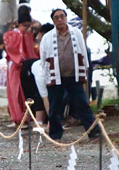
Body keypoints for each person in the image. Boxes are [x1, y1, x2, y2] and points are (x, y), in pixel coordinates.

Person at [39, 8, 100, 140]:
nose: (60, 19)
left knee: (82, 104)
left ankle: (93, 131)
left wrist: (85, 72)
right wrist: (45, 76)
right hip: (56, 77)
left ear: (66, 18)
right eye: (56, 17)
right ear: (53, 21)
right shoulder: (47, 37)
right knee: (55, 107)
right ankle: (55, 134)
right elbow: (43, 59)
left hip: (74, 76)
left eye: (62, 16)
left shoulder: (76, 33)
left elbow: (83, 53)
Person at [3, 5, 38, 126]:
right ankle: (17, 116)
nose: (26, 28)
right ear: (19, 23)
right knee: (15, 91)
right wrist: (20, 33)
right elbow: (12, 49)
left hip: (26, 66)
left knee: (26, 91)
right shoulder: (11, 35)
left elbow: (31, 52)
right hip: (15, 65)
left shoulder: (28, 35)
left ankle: (26, 115)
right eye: (24, 25)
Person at [20, 23, 54, 126]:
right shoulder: (40, 71)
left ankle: (50, 120)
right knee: (38, 96)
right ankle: (42, 120)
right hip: (31, 72)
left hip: (45, 67)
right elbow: (44, 97)